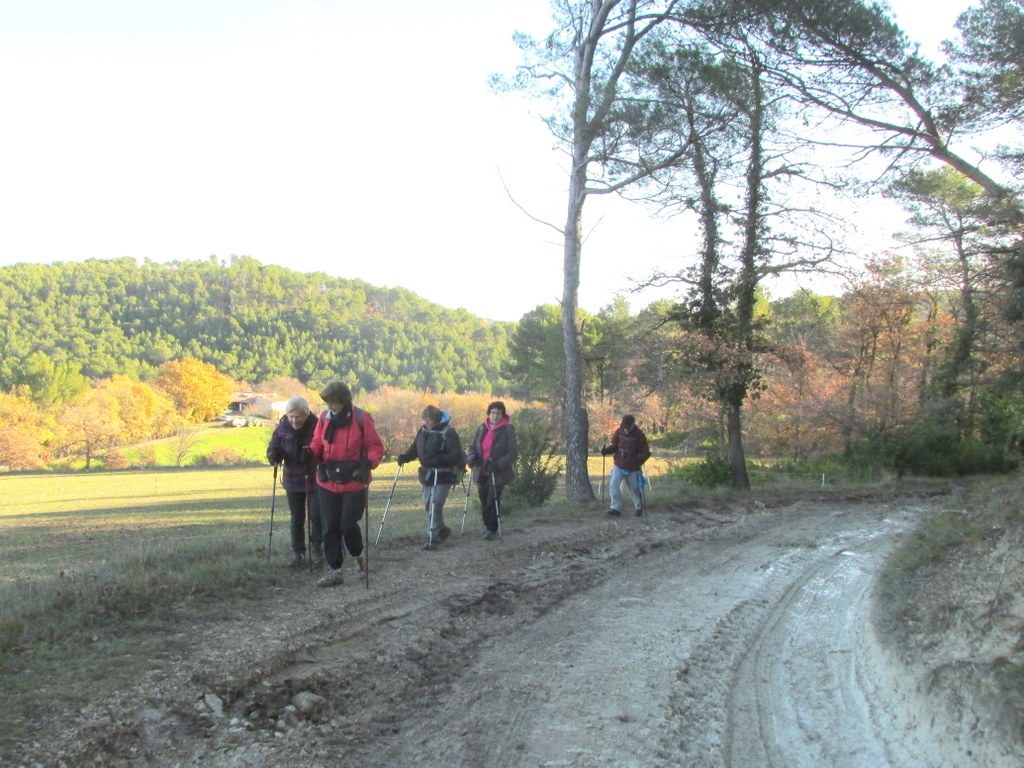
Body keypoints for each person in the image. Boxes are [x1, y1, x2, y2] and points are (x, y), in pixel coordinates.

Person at [308, 379, 384, 587]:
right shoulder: (324, 418)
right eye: (328, 402)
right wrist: (311, 452)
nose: (330, 406)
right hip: (327, 480)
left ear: (344, 400)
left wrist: (368, 463)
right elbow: (317, 442)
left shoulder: (361, 418)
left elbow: (375, 446)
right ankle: (335, 571)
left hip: (354, 481)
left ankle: (358, 554)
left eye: (334, 402)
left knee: (347, 524)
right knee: (329, 527)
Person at [396, 405, 466, 550]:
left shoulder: (449, 432)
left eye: (429, 420)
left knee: (436, 503)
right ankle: (441, 529)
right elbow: (415, 449)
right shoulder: (422, 431)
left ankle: (432, 538)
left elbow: (455, 454)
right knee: (429, 504)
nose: (426, 422)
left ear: (436, 419)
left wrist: (440, 459)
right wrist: (405, 458)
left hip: (444, 473)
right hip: (428, 473)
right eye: (424, 419)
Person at [266, 395, 322, 568]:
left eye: (297, 416)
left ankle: (317, 550)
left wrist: (311, 454)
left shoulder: (316, 425)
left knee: (316, 516)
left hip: (314, 478)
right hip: (292, 479)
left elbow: (323, 447)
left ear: (306, 415)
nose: (294, 420)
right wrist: (273, 455)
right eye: (291, 416)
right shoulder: (282, 426)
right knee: (297, 517)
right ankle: (298, 553)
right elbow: (273, 446)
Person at [466, 400, 518, 540]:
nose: (495, 415)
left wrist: (499, 463)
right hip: (481, 470)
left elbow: (513, 452)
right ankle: (487, 526)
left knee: (492, 500)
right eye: (493, 412)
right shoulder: (482, 428)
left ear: (503, 415)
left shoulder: (508, 430)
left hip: (498, 472)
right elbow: (472, 447)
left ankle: (492, 529)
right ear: (489, 414)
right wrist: (471, 457)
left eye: (498, 413)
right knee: (484, 500)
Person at [601, 415, 651, 517]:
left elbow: (646, 452)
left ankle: (638, 506)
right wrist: (606, 451)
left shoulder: (639, 435)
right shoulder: (619, 432)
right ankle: (615, 508)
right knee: (614, 484)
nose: (625, 428)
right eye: (624, 426)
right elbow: (614, 447)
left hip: (633, 467)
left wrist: (640, 460)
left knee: (634, 489)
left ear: (633, 424)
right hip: (619, 464)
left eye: (627, 426)